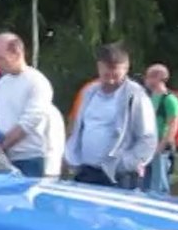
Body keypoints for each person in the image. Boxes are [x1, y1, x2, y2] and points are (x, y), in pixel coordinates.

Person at [64, 42, 157, 188]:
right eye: (106, 69)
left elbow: (147, 139)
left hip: (118, 177)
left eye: (115, 70)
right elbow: (78, 127)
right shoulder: (89, 92)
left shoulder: (136, 96)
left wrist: (124, 164)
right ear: (99, 67)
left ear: (126, 68)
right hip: (86, 171)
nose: (110, 75)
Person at [0, 32, 54, 177]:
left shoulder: (37, 82)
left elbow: (27, 124)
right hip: (4, 158)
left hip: (29, 159)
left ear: (16, 53)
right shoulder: (2, 83)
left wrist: (0, 148)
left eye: (1, 59)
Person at [141, 64, 178, 195]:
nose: (146, 80)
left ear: (159, 78)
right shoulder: (148, 98)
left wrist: (161, 146)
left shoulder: (170, 100)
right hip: (147, 145)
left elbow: (173, 125)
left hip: (161, 146)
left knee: (158, 184)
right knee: (144, 183)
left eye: (149, 77)